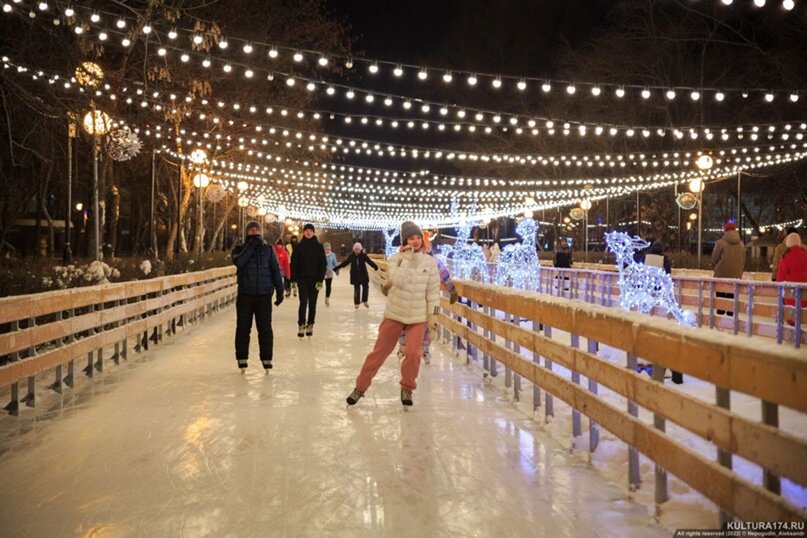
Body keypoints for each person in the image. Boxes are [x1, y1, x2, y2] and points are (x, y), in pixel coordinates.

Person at [346, 221, 440, 407]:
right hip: (395, 314)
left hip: (417, 317)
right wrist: (406, 259)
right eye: (411, 238)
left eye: (417, 237)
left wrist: (433, 318)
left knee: (413, 354)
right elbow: (397, 281)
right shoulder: (396, 259)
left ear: (422, 240)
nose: (415, 241)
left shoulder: (429, 263)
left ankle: (407, 387)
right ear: (405, 240)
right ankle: (360, 388)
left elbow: (433, 293)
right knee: (379, 353)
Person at [393, 230, 459, 365]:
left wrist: (452, 290)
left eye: (421, 242)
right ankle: (404, 347)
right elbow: (394, 275)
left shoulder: (433, 261)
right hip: (407, 298)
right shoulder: (402, 258)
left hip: (427, 301)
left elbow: (444, 275)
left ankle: (424, 349)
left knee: (428, 325)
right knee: (404, 325)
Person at [231, 221, 284, 374]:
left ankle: (267, 358)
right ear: (246, 232)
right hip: (245, 295)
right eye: (251, 229)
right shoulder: (239, 249)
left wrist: (280, 290)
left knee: (265, 328)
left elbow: (275, 269)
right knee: (243, 328)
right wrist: (251, 247)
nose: (254, 230)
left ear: (260, 231)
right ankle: (242, 358)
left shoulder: (268, 249)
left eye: (256, 229)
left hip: (264, 295)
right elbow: (239, 263)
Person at [290, 224, 326, 338]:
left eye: (311, 230)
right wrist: (293, 280)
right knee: (303, 302)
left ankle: (310, 324)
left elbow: (322, 265)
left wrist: (320, 280)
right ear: (304, 232)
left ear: (313, 232)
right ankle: (301, 325)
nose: (308, 232)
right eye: (306, 230)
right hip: (302, 279)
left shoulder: (319, 247)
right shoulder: (299, 247)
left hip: (315, 280)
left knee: (312, 304)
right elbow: (294, 264)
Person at [711, 222, 746, 316]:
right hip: (735, 277)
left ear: (725, 230)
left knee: (721, 301)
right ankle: (731, 322)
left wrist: (717, 266)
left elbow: (714, 259)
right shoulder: (742, 245)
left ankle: (720, 321)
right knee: (732, 301)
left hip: (721, 276)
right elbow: (744, 260)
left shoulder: (720, 243)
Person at [776, 233, 807, 326]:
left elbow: (780, 277)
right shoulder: (805, 255)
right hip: (805, 292)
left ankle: (792, 335)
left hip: (791, 292)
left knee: (792, 316)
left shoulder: (786, 256)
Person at [335, 242, 379, 309]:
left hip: (363, 274)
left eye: (358, 249)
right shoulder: (351, 256)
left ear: (360, 249)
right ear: (353, 249)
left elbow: (369, 261)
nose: (357, 250)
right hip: (355, 275)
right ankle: (357, 302)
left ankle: (365, 300)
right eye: (355, 249)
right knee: (357, 288)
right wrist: (338, 267)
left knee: (366, 287)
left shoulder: (363, 255)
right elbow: (345, 263)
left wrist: (375, 266)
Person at [323, 242, 339, 307]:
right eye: (325, 249)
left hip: (329, 272)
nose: (327, 250)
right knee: (318, 285)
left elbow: (334, 263)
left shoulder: (333, 255)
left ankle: (327, 299)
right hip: (322, 272)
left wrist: (336, 270)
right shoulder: (321, 254)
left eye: (328, 249)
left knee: (328, 286)